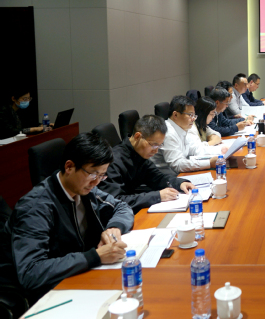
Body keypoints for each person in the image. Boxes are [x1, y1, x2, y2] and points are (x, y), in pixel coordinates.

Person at [0, 132, 134, 303]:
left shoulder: (85, 189)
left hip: (78, 273)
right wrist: (95, 256)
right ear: (69, 167)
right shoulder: (35, 207)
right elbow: (30, 272)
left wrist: (114, 227)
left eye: (102, 175)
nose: (96, 182)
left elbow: (122, 207)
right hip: (45, 293)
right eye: (93, 174)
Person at [99, 115, 197, 214]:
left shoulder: (139, 155)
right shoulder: (112, 162)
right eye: (153, 145)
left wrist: (180, 183)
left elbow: (158, 178)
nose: (156, 150)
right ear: (138, 136)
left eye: (159, 145)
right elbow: (114, 201)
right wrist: (157, 196)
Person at [151, 95, 225, 174]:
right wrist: (209, 163)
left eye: (194, 115)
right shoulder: (168, 132)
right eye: (190, 115)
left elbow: (195, 149)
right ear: (175, 115)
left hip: (178, 174)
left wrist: (222, 151)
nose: (193, 119)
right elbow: (177, 164)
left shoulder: (182, 128)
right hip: (165, 176)